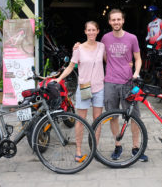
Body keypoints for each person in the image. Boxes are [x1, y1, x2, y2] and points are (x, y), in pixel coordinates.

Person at [101, 8, 148, 162]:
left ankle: (136, 148)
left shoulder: (132, 38)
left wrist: (136, 72)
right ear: (109, 22)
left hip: (128, 83)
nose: (116, 22)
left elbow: (138, 59)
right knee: (112, 116)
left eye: (118, 19)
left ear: (123, 20)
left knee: (134, 116)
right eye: (113, 20)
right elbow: (105, 57)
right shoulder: (105, 38)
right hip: (110, 83)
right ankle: (118, 145)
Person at [55, 21, 105, 162]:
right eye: (88, 30)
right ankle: (78, 151)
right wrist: (59, 79)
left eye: (93, 30)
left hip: (99, 88)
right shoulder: (79, 48)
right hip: (84, 87)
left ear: (97, 31)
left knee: (98, 120)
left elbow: (110, 61)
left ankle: (94, 149)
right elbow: (71, 67)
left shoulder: (102, 47)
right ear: (85, 32)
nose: (91, 32)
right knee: (80, 120)